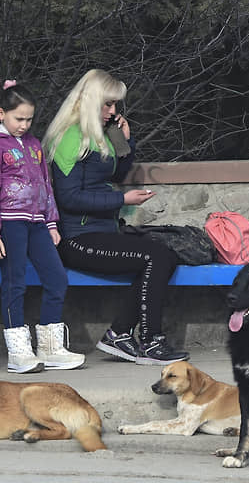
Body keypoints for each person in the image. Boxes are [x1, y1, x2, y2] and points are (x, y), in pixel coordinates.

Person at [42, 69, 189, 365]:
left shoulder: (103, 133)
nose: (113, 111)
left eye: (115, 105)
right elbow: (68, 198)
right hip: (76, 238)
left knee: (167, 256)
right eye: (108, 104)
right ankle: (148, 340)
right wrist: (122, 199)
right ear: (91, 101)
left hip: (104, 231)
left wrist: (126, 142)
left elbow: (118, 173)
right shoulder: (70, 138)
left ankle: (120, 334)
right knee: (156, 257)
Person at [0, 80, 84, 373]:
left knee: (57, 278)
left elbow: (46, 185)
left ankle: (50, 347)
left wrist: (51, 221)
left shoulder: (34, 145)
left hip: (37, 224)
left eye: (29, 118)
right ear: (1, 114)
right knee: (14, 283)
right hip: (9, 224)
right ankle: (19, 352)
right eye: (18, 118)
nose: (24, 124)